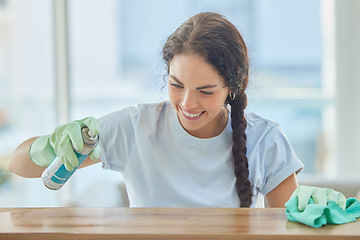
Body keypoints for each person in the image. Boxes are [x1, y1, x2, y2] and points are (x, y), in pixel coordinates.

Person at [9, 12, 303, 208]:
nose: (188, 103)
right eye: (177, 85)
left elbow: (290, 230)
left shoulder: (265, 139)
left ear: (232, 88)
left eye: (205, 91)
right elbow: (18, 165)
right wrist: (49, 147)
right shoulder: (137, 127)